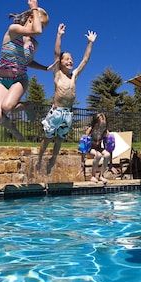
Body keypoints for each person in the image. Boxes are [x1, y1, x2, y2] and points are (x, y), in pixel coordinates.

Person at [37, 23, 97, 174]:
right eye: (67, 59)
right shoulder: (57, 73)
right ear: (61, 62)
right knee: (48, 137)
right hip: (56, 112)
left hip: (67, 114)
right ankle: (39, 157)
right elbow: (57, 53)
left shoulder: (74, 75)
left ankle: (54, 158)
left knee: (60, 138)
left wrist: (90, 42)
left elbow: (85, 60)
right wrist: (59, 35)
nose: (70, 60)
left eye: (71, 59)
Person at [0, 0, 52, 142]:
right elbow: (37, 30)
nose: (41, 29)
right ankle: (13, 129)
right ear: (31, 18)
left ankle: (26, 105)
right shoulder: (14, 30)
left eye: (44, 26)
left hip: (19, 79)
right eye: (41, 23)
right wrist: (34, 7)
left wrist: (44, 68)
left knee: (6, 107)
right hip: (2, 79)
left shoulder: (34, 44)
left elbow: (28, 61)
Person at [86, 113, 111, 183]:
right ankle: (93, 176)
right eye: (100, 125)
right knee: (98, 155)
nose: (102, 128)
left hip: (98, 148)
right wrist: (82, 162)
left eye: (103, 126)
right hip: (90, 149)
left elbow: (109, 147)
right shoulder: (90, 130)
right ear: (95, 123)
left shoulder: (105, 131)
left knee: (107, 155)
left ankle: (101, 176)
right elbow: (84, 144)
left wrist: (111, 165)